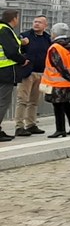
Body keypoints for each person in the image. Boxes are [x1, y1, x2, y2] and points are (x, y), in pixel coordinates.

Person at [42, 23, 70, 138]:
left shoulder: (55, 47)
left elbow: (58, 65)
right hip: (69, 82)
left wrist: (67, 76)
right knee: (66, 103)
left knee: (57, 106)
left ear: (54, 33)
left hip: (56, 82)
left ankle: (60, 129)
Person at [15, 15, 51, 136]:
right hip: (27, 72)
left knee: (34, 101)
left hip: (41, 73)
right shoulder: (24, 36)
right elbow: (16, 50)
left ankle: (31, 124)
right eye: (35, 22)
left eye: (39, 22)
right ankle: (19, 126)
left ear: (45, 25)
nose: (36, 24)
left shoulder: (47, 38)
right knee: (22, 100)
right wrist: (22, 44)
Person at [0, 9, 29, 142]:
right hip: (5, 71)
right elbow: (11, 51)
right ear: (14, 18)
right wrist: (23, 60)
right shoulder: (5, 30)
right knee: (3, 102)